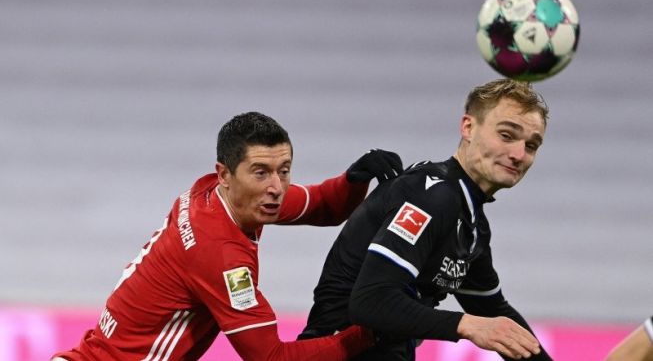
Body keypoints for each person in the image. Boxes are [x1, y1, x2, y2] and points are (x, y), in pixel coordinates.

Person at [52, 112, 403, 361]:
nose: (277, 188)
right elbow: (271, 358)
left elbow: (324, 205)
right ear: (224, 173)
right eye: (261, 172)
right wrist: (368, 333)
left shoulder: (217, 196)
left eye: (284, 171)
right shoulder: (220, 255)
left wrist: (355, 177)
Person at [299, 79, 553, 360]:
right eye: (506, 135)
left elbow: (493, 312)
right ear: (468, 127)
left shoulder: (472, 224)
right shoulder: (432, 196)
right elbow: (370, 300)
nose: (519, 155)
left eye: (531, 146)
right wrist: (466, 325)